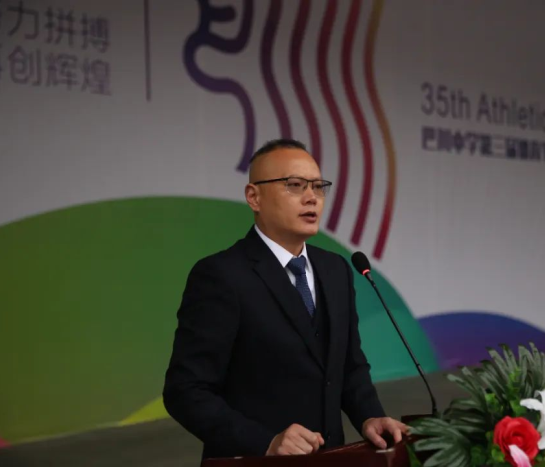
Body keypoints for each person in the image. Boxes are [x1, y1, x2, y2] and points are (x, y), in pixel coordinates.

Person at [163, 139, 407, 459]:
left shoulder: (335, 270)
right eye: (294, 185)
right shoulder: (221, 276)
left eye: (318, 187)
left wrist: (369, 416)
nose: (312, 197)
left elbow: (349, 367)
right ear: (254, 197)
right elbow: (185, 391)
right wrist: (265, 442)